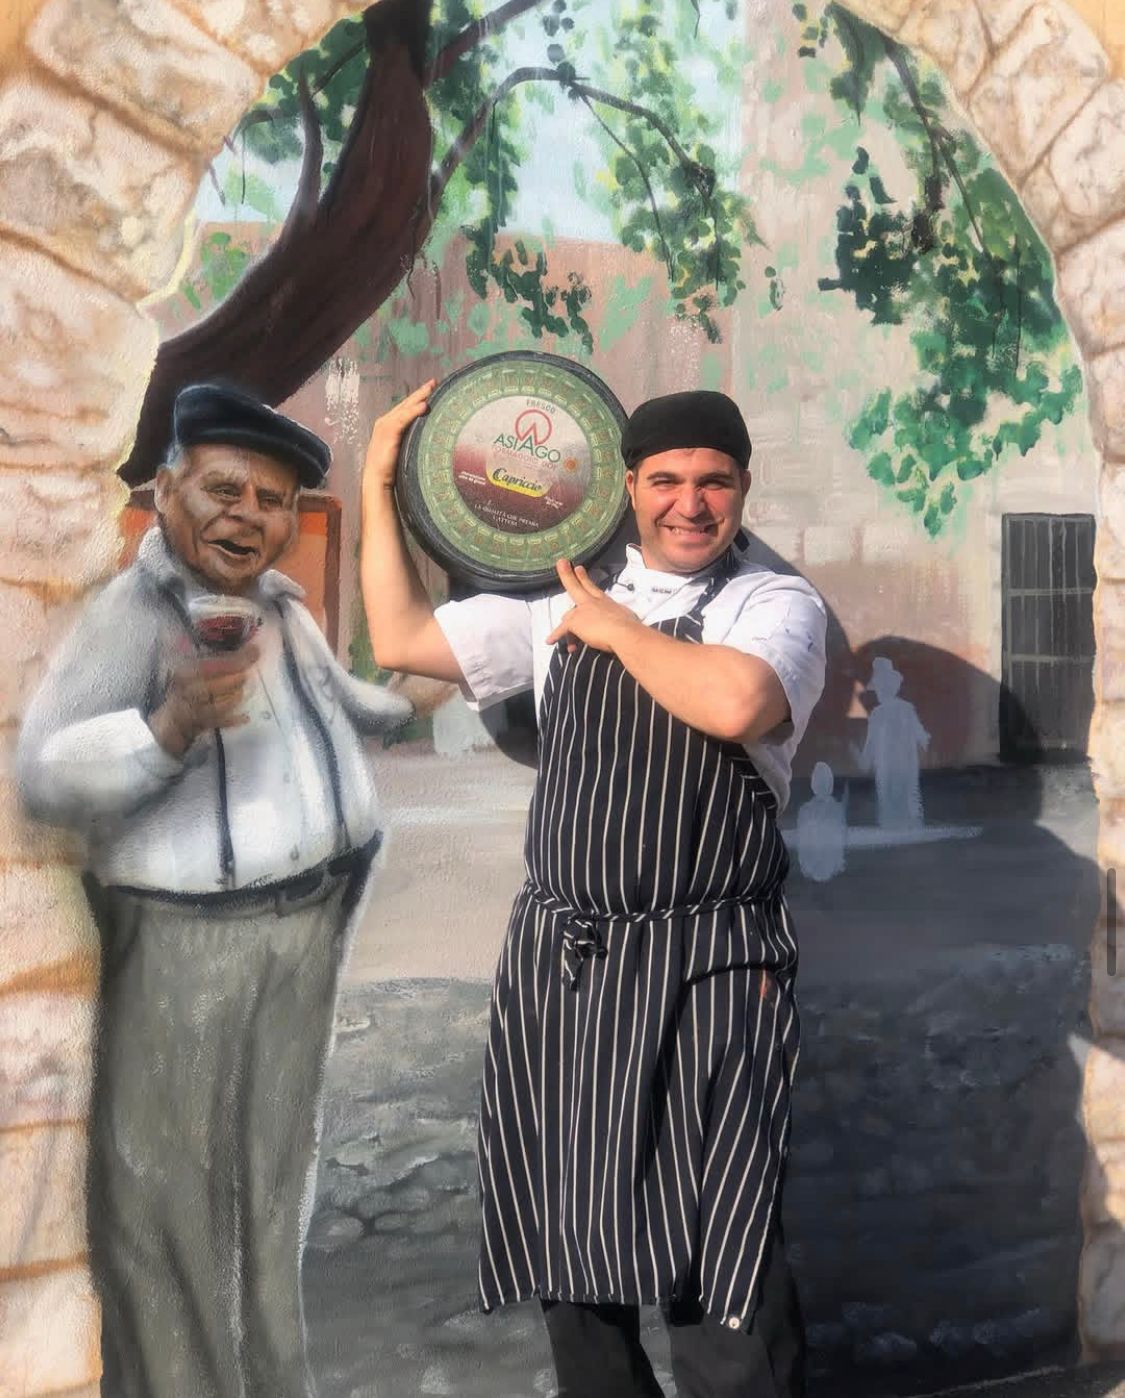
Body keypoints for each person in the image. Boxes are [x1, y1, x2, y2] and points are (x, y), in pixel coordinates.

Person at [361, 381, 827, 1398]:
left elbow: (741, 700)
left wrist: (613, 628)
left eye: (715, 481)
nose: (690, 504)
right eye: (666, 480)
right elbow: (401, 640)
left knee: (722, 1244)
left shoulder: (772, 604)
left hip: (709, 965)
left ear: (743, 488)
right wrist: (380, 481)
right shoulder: (555, 600)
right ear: (628, 485)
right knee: (572, 1244)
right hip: (563, 967)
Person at [17, 383, 412, 1398]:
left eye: (274, 500)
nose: (251, 515)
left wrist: (408, 695)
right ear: (169, 487)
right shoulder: (130, 614)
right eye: (227, 489)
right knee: (168, 1203)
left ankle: (278, 1384)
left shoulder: (280, 605)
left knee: (275, 1184)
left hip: (306, 925)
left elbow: (341, 704)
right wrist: (165, 732)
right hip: (192, 935)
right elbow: (46, 773)